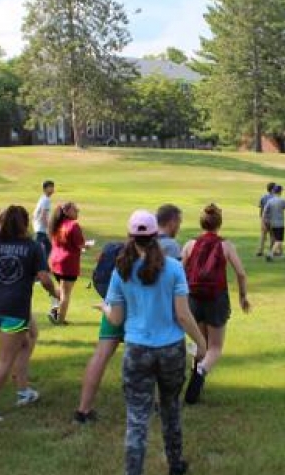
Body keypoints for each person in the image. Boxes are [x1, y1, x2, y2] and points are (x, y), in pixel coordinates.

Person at [103, 210, 207, 475]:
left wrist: (103, 307)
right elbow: (183, 315)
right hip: (171, 350)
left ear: (130, 237)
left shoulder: (121, 270)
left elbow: (115, 318)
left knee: (137, 418)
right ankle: (176, 465)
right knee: (171, 409)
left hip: (137, 350)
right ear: (155, 236)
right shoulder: (173, 267)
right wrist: (201, 342)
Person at [73, 204, 185, 424]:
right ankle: (157, 404)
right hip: (145, 313)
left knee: (101, 355)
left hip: (115, 306)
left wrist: (106, 307)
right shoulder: (171, 248)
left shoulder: (123, 255)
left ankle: (83, 411)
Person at [0, 205, 54, 422]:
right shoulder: (33, 247)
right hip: (15, 310)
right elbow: (45, 279)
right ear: (25, 223)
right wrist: (55, 293)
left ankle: (23, 391)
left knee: (24, 344)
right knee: (4, 360)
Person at [180, 204, 251, 404]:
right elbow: (241, 273)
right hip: (216, 298)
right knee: (215, 347)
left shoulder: (190, 245)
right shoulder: (225, 245)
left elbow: (178, 271)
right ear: (219, 224)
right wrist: (243, 297)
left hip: (193, 298)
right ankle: (200, 373)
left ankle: (196, 379)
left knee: (200, 343)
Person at [49, 201, 92, 325]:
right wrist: (87, 245)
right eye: (75, 209)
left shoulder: (56, 224)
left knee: (61, 290)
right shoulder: (73, 225)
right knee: (65, 294)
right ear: (67, 212)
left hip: (55, 262)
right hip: (68, 263)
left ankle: (54, 310)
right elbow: (80, 244)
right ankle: (60, 320)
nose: (77, 211)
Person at [262, 185, 285, 261]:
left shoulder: (270, 201)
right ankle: (271, 254)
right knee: (279, 240)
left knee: (277, 239)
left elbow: (264, 212)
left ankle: (281, 254)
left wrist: (264, 222)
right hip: (280, 223)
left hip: (272, 223)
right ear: (280, 192)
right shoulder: (282, 200)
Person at [32, 180, 56, 260]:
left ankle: (43, 267)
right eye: (51, 187)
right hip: (42, 231)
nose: (53, 189)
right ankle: (42, 268)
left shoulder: (42, 198)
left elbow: (34, 215)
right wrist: (49, 229)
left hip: (39, 229)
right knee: (42, 252)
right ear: (45, 189)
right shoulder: (46, 200)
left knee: (46, 249)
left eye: (53, 187)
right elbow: (43, 216)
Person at [255, 182, 277, 257]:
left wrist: (261, 220)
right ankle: (271, 251)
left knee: (263, 236)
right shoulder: (276, 198)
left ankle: (260, 250)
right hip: (273, 219)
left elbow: (261, 209)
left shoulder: (263, 197)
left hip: (264, 219)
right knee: (273, 236)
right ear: (273, 189)